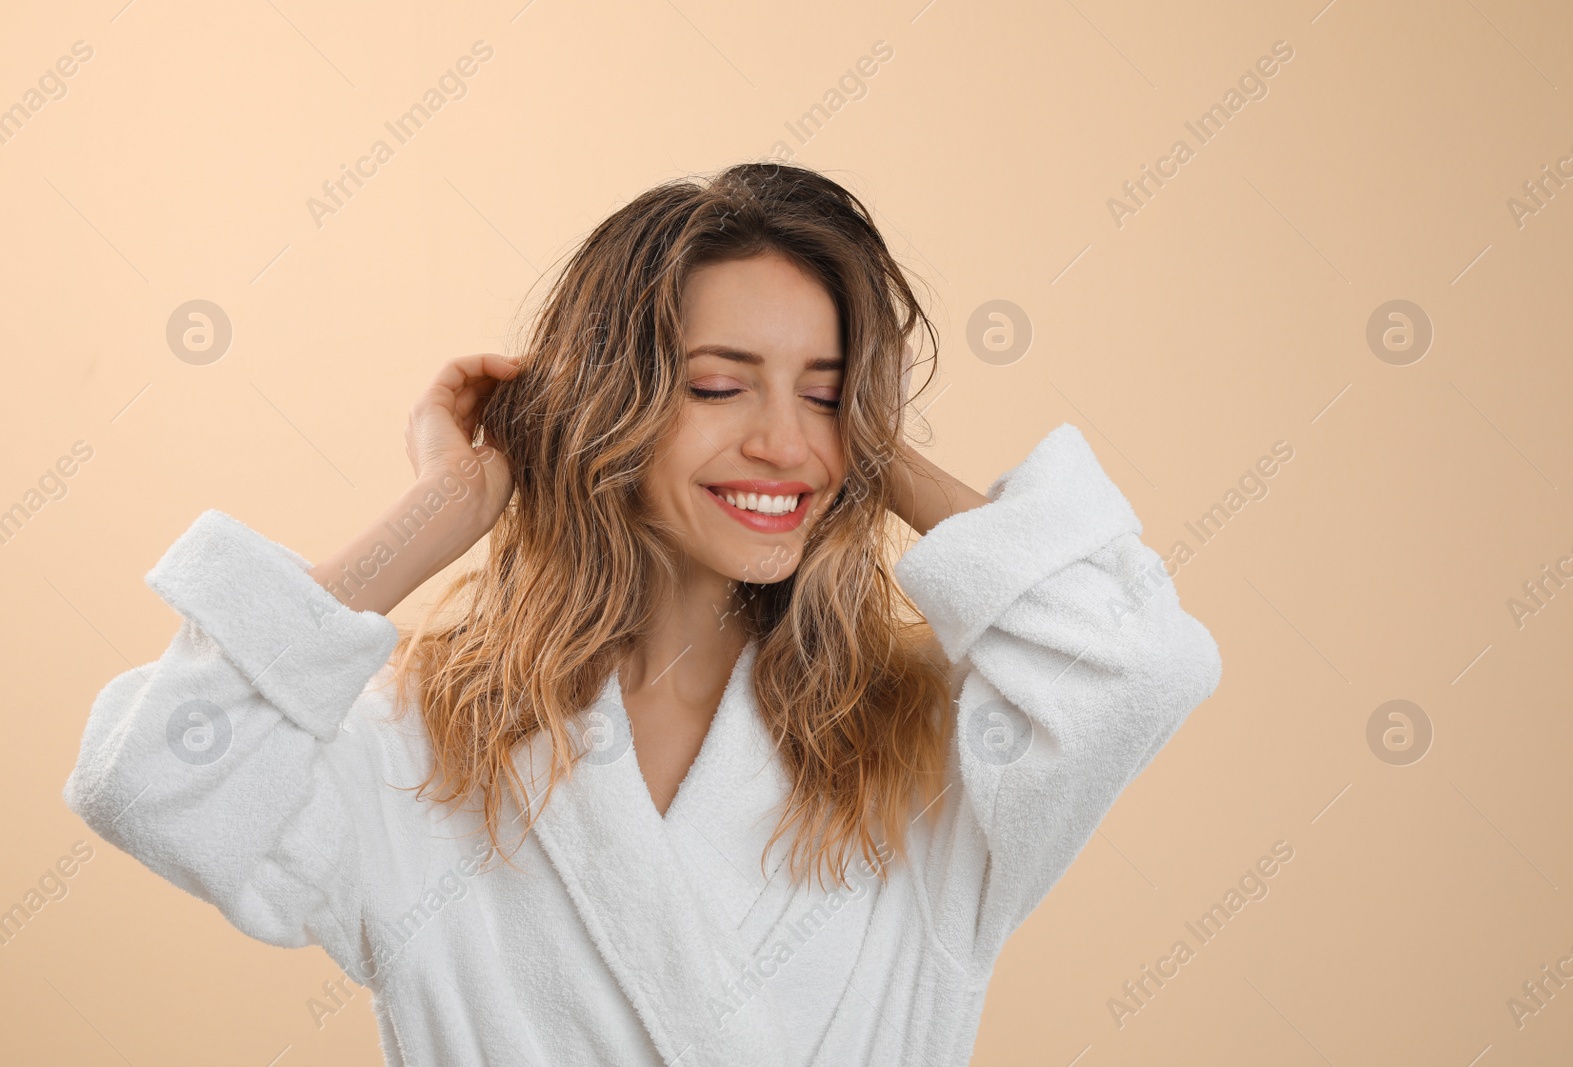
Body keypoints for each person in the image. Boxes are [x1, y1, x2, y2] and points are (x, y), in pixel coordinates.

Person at [63, 162, 1222, 1065]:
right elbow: (157, 781)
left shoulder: (932, 754)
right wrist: (444, 502)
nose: (781, 439)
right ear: (605, 404)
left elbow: (1134, 663)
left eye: (825, 388)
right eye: (719, 385)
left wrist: (872, 452)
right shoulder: (430, 749)